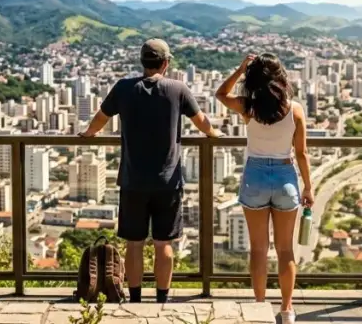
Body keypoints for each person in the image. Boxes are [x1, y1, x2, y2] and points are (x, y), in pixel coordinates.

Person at [79, 38, 221, 303]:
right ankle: (162, 298)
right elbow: (202, 121)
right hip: (168, 182)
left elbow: (100, 118)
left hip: (133, 180)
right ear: (166, 63)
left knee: (134, 244)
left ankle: (134, 298)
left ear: (142, 62)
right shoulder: (177, 88)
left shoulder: (123, 88)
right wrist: (214, 133)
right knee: (163, 243)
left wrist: (88, 133)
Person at [215, 53, 312, 324]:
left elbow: (220, 94)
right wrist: (308, 188)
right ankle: (287, 309)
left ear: (254, 79)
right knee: (285, 250)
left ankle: (259, 306)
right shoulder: (295, 110)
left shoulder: (248, 106)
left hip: (255, 176)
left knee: (258, 249)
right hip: (285, 177)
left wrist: (240, 69)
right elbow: (302, 153)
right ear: (280, 77)